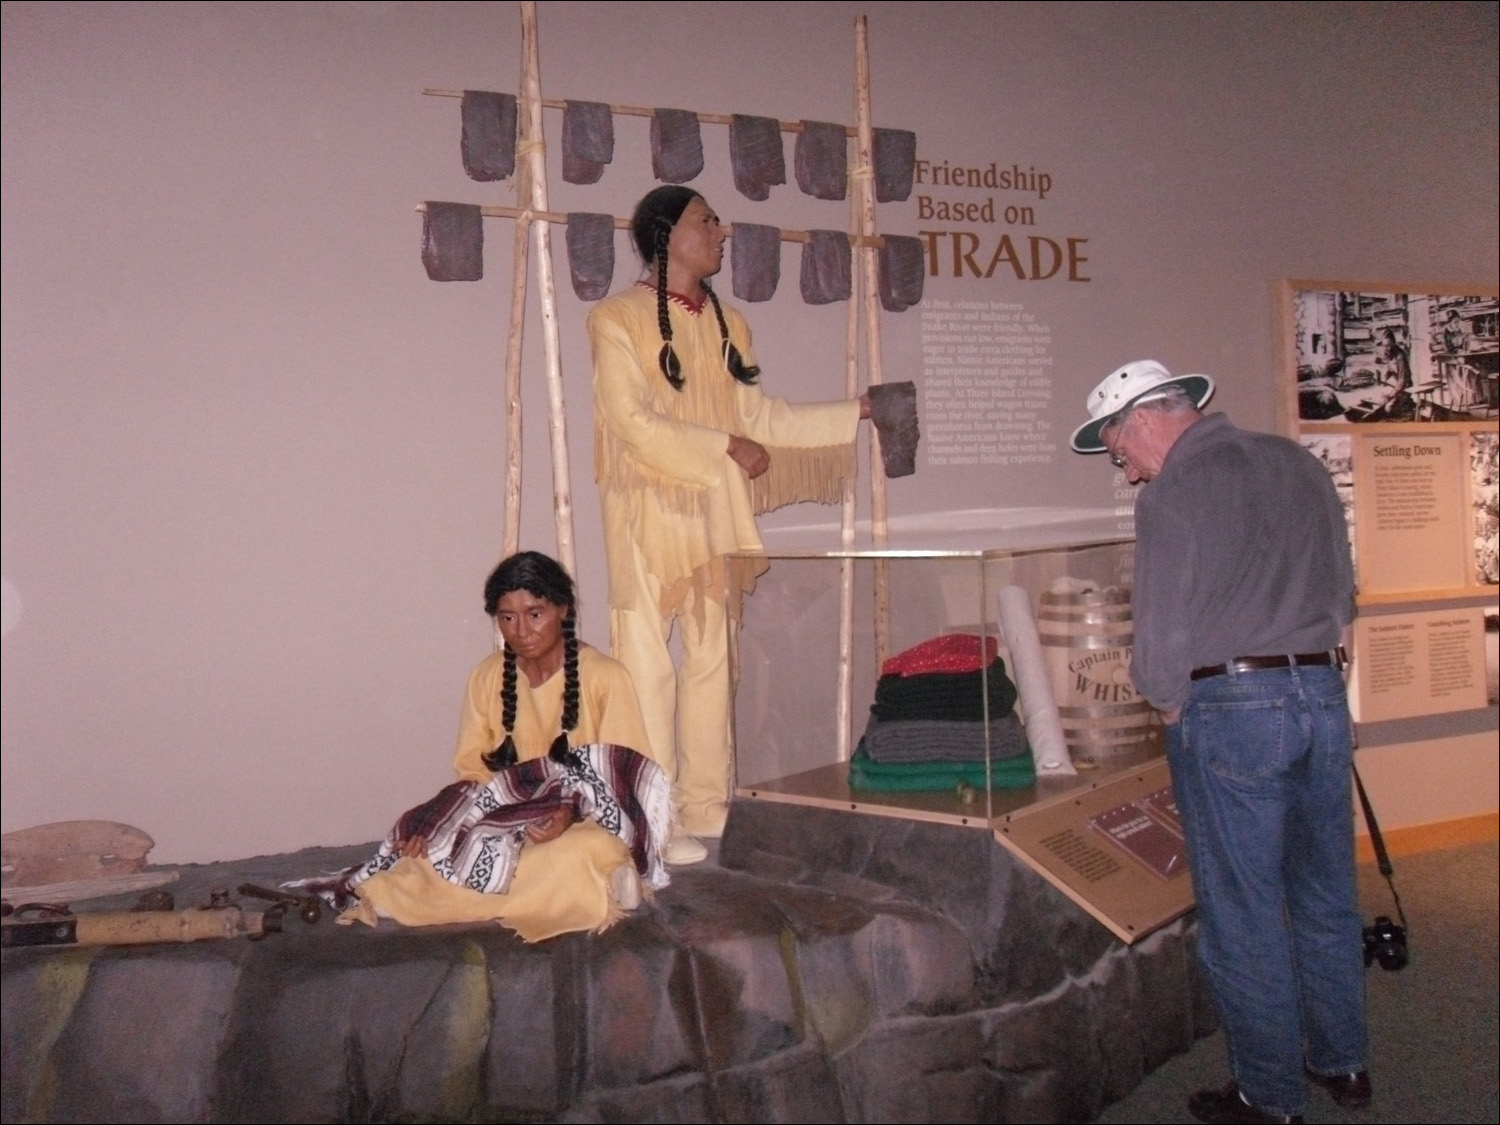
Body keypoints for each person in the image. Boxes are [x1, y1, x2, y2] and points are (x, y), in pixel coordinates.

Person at [1071, 360, 1368, 1124]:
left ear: (1142, 419)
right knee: (1327, 894)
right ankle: (1343, 1061)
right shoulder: (1298, 464)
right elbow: (1342, 594)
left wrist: (1171, 707)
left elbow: (1161, 639)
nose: (1128, 470)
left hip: (1232, 710)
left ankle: (1269, 1096)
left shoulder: (1174, 493)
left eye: (1118, 450)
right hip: (1322, 696)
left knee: (1243, 914)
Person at [588, 186, 870, 862]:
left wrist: (855, 410)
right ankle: (649, 820)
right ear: (664, 235)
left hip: (713, 509)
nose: (722, 231)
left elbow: (760, 416)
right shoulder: (616, 319)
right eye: (705, 221)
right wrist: (722, 446)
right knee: (646, 665)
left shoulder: (727, 324)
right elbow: (631, 422)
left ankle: (706, 808)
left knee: (715, 659)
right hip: (647, 510)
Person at [292, 552, 670, 942]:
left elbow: (620, 777)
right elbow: (474, 771)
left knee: (585, 848)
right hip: (506, 818)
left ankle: (603, 879)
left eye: (535, 613)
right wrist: (438, 817)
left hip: (586, 820)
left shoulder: (605, 676)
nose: (521, 630)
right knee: (433, 852)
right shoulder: (487, 677)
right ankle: (597, 887)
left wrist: (566, 814)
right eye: (507, 617)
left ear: (563, 610)